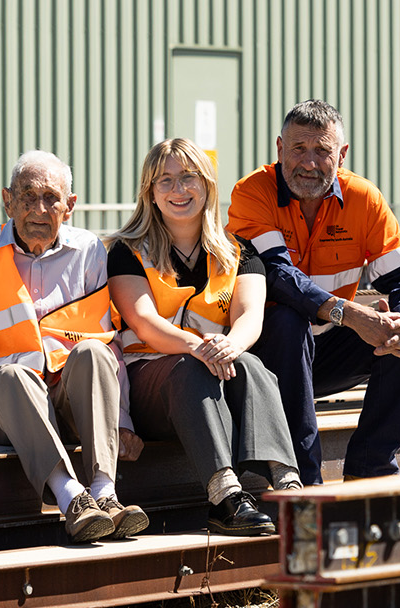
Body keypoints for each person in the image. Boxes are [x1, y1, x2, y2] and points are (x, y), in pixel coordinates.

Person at [0, 150, 148, 543]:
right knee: (15, 374)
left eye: (51, 198)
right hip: (2, 402)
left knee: (94, 352)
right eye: (27, 196)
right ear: (7, 201)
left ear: (70, 206)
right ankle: (71, 497)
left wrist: (122, 420)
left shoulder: (89, 252)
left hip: (65, 398)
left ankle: (105, 493)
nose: (39, 209)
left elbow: (110, 341)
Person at [228, 99, 400, 485]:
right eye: (298, 149)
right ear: (279, 149)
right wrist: (351, 314)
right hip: (267, 356)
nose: (308, 163)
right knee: (288, 321)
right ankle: (304, 478)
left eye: (322, 151)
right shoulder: (252, 193)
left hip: (323, 352)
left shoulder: (363, 199)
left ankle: (370, 469)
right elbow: (277, 275)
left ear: (341, 155)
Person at [104, 139, 302, 537]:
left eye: (188, 177)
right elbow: (142, 321)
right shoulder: (126, 251)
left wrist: (232, 344)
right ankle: (225, 497)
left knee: (251, 362)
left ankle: (288, 485)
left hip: (214, 375)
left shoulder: (239, 251)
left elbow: (249, 315)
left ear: (208, 184)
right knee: (189, 367)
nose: (179, 190)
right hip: (150, 385)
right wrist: (199, 346)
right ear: (150, 193)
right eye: (166, 180)